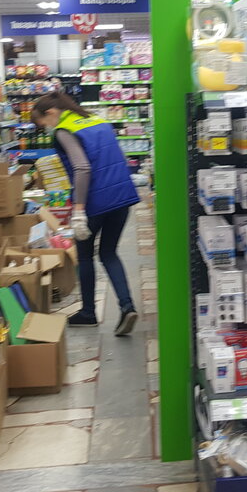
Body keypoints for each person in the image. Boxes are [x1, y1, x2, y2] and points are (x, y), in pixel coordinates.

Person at [31, 93, 141, 336]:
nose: (47, 128)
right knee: (109, 252)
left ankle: (89, 313)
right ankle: (127, 306)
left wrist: (79, 209)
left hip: (95, 201)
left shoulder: (64, 130)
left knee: (85, 255)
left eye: (43, 123)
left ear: (51, 113)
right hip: (122, 196)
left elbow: (82, 168)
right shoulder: (96, 120)